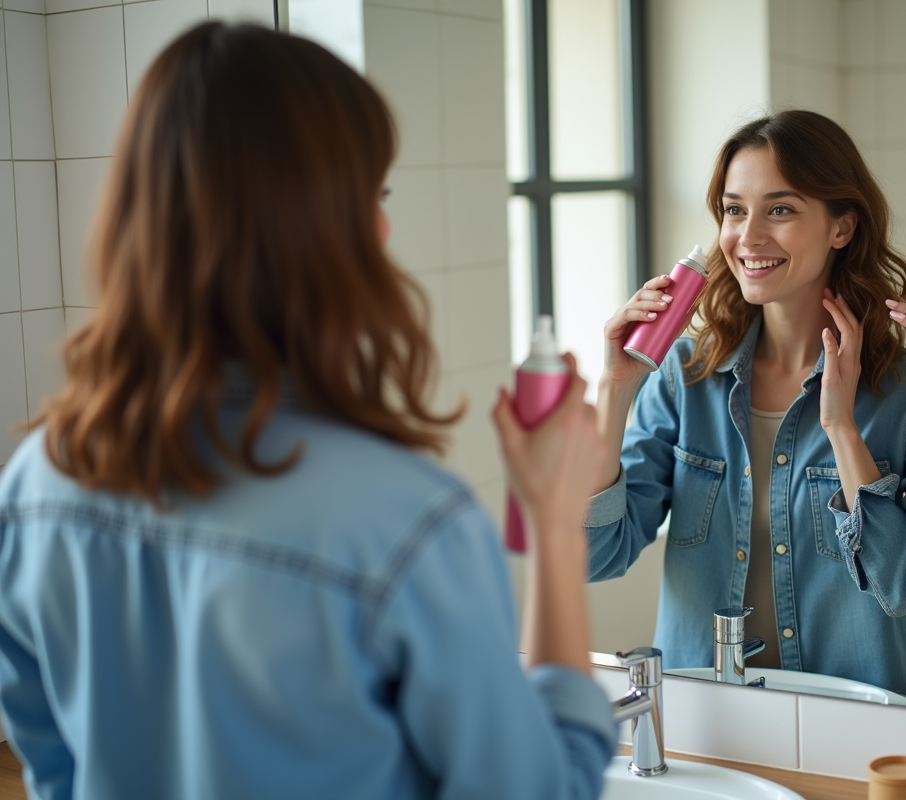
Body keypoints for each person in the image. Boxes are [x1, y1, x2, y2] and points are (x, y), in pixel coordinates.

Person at [0, 23, 615, 800]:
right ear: (314, 221)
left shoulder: (35, 483)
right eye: (373, 194)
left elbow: (57, 770)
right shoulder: (402, 523)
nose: (384, 225)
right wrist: (556, 528)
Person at [585, 110, 906, 699]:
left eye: (780, 209)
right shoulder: (684, 377)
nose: (748, 237)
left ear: (841, 228)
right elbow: (596, 556)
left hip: (861, 723)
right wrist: (614, 391)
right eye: (734, 209)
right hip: (710, 720)